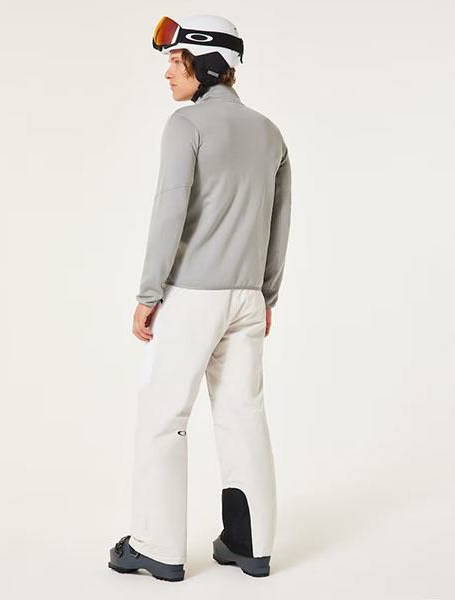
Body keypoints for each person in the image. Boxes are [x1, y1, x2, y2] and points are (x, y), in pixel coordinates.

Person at [108, 14, 292, 582]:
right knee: (243, 416)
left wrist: (148, 292)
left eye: (175, 59)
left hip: (191, 295)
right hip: (246, 299)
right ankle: (249, 545)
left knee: (164, 417)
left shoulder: (185, 124)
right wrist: (266, 295)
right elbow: (279, 223)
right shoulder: (270, 133)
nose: (168, 72)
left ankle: (156, 547)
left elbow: (170, 208)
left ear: (206, 63)